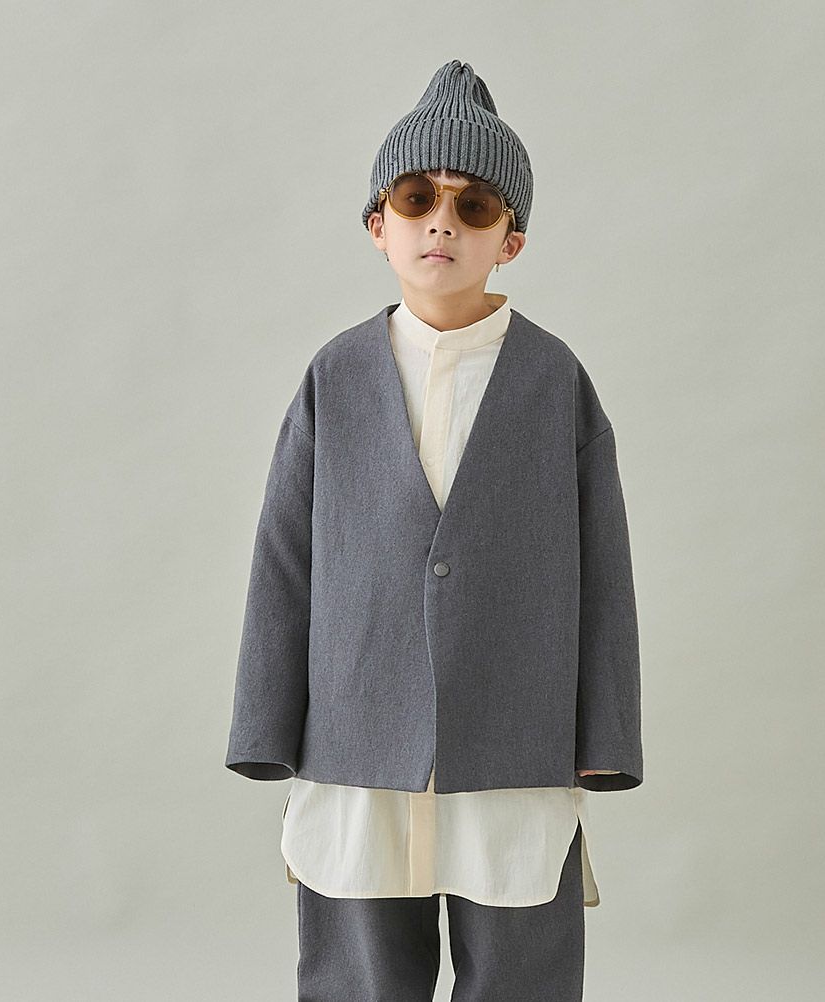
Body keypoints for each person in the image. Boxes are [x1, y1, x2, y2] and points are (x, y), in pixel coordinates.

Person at [225, 59, 643, 1002]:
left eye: (474, 204)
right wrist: (266, 722)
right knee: (360, 971)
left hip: (515, 734)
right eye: (417, 198)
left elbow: (603, 571)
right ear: (379, 226)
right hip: (356, 733)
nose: (442, 222)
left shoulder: (555, 381)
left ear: (512, 239)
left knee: (522, 967)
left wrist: (607, 734)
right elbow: (283, 559)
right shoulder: (334, 377)